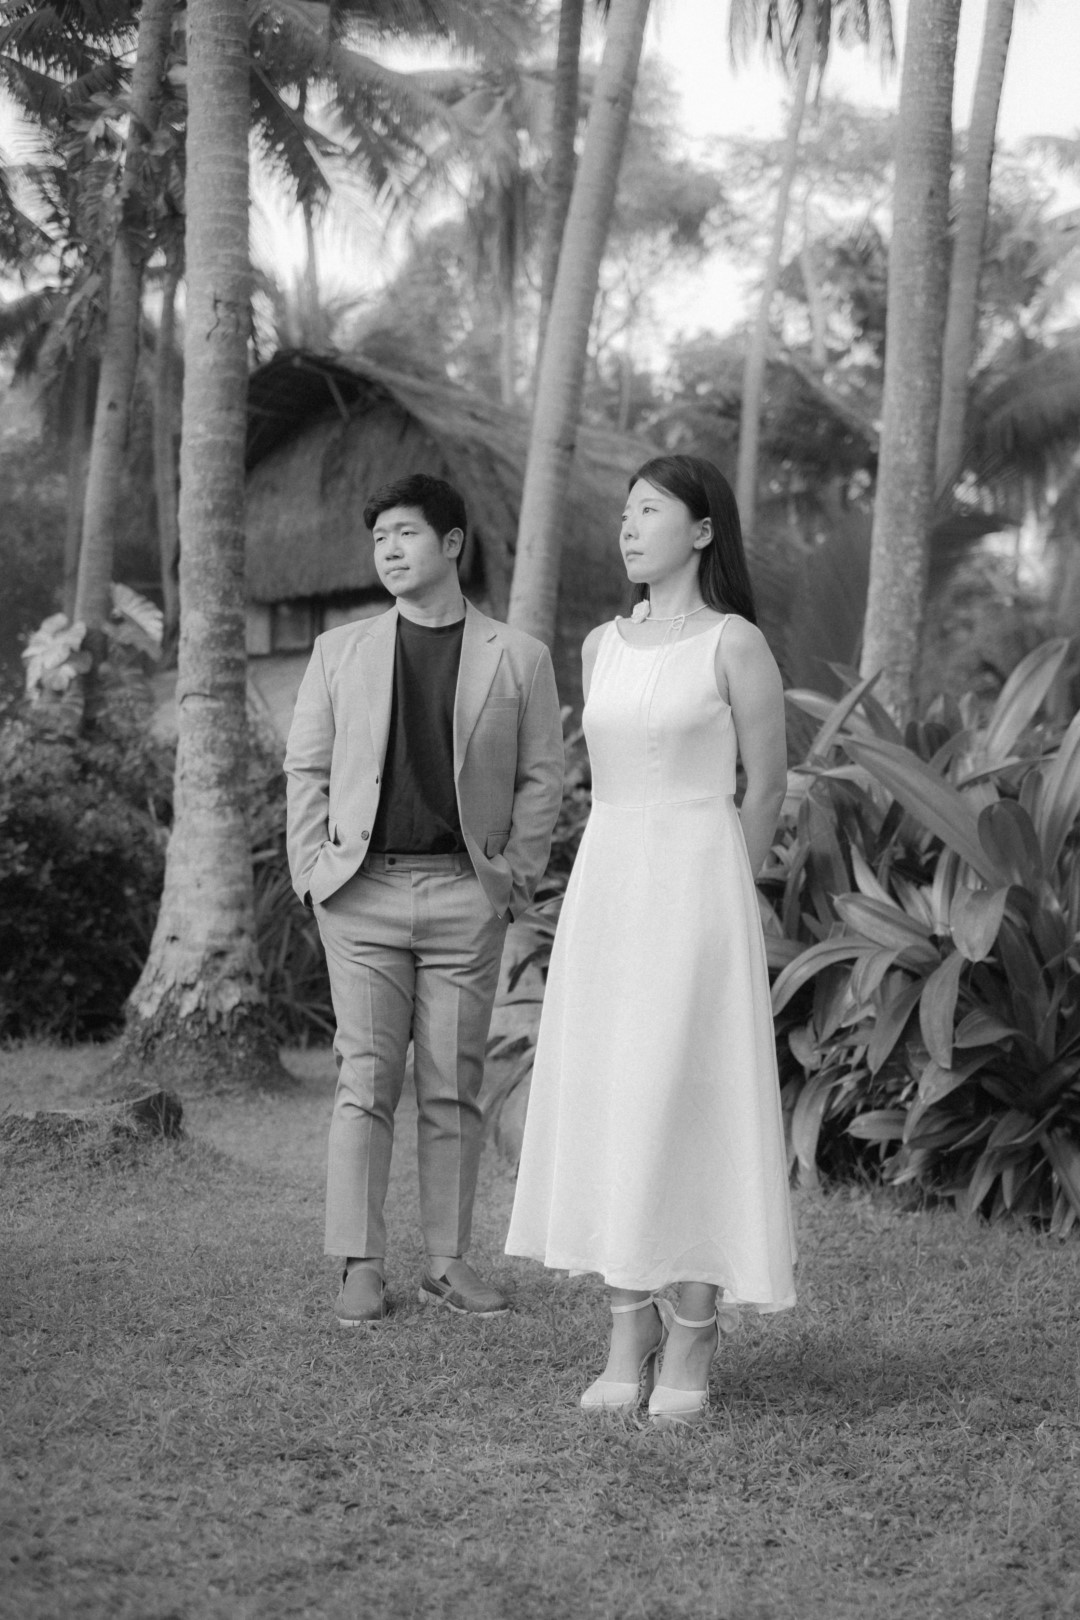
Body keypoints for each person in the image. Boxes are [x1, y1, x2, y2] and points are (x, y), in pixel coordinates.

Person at [505, 454, 796, 1425]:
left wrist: (725, 890)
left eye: (651, 510)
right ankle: (627, 1328)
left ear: (702, 530)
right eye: (625, 512)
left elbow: (766, 786)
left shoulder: (736, 644)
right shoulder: (600, 647)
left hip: (701, 888)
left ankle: (695, 1333)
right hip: (609, 890)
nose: (629, 527)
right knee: (615, 1098)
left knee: (696, 1096)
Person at [285, 473, 564, 1327]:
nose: (390, 551)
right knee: (365, 1081)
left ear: (451, 544)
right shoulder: (339, 651)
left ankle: (447, 1263)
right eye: (380, 539)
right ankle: (359, 1263)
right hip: (360, 894)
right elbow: (306, 768)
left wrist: (511, 877)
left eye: (406, 533)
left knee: (452, 1087)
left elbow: (541, 777)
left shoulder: (518, 656)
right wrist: (311, 872)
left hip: (462, 896)